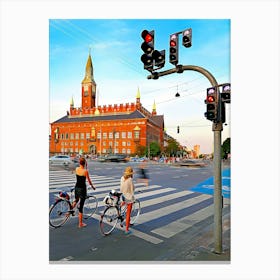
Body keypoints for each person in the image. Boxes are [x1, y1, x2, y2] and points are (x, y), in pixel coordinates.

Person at [72, 157, 95, 228]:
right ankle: (80, 223)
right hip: (82, 189)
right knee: (81, 206)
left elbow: (76, 172)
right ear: (85, 163)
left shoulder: (76, 169)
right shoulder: (85, 171)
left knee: (76, 200)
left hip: (77, 187)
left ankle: (69, 211)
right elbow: (89, 181)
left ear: (79, 163)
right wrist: (93, 187)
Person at [120, 166, 135, 235]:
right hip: (128, 197)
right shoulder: (130, 180)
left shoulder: (122, 178)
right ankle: (127, 229)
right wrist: (133, 198)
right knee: (128, 212)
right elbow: (132, 191)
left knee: (122, 206)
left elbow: (121, 188)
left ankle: (121, 218)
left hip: (122, 196)